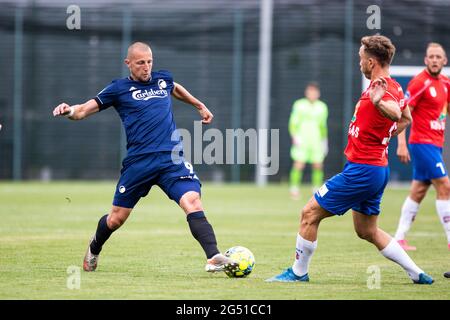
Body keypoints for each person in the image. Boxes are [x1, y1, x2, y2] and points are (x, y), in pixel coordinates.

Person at [52, 42, 237, 273]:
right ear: (128, 63)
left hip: (172, 159)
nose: (146, 67)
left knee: (192, 201)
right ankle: (95, 245)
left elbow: (174, 88)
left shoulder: (162, 80)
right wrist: (69, 110)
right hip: (140, 163)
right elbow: (82, 111)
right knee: (116, 219)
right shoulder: (118, 89)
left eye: (149, 62)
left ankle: (213, 256)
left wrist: (199, 104)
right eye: (141, 63)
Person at [267, 35, 434, 284]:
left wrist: (379, 103)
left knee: (309, 213)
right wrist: (386, 134)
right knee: (367, 230)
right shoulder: (395, 86)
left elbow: (397, 113)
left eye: (360, 59)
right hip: (376, 170)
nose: (359, 64)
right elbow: (407, 118)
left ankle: (298, 272)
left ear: (370, 61)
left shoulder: (383, 89)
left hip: (362, 171)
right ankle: (417, 273)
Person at [395, 43, 450, 251]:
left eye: (438, 57)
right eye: (431, 56)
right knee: (445, 186)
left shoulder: (445, 83)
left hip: (435, 145)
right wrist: (401, 144)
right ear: (426, 60)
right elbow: (402, 113)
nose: (435, 60)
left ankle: (399, 238)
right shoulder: (420, 83)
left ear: (444, 61)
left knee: (418, 191)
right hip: (421, 143)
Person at [288, 82, 328, 200]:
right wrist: (295, 136)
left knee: (318, 165)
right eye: (310, 91)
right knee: (299, 164)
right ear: (306, 93)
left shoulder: (322, 107)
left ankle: (316, 190)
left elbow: (323, 126)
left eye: (314, 92)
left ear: (318, 93)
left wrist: (324, 140)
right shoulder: (299, 105)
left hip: (316, 140)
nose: (312, 94)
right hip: (302, 140)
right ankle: (294, 189)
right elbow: (293, 123)